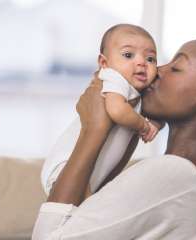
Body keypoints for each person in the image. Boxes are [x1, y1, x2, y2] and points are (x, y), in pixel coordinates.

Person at [32, 27, 196, 240]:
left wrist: (93, 130)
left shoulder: (174, 175)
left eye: (176, 68)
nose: (156, 70)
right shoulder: (187, 177)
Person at [41, 24, 163, 195]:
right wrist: (144, 126)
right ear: (104, 63)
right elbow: (117, 111)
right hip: (65, 166)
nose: (142, 62)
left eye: (150, 59)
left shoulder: (138, 91)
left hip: (93, 173)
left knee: (88, 210)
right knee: (84, 211)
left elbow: (159, 111)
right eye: (128, 55)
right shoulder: (113, 78)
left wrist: (156, 124)